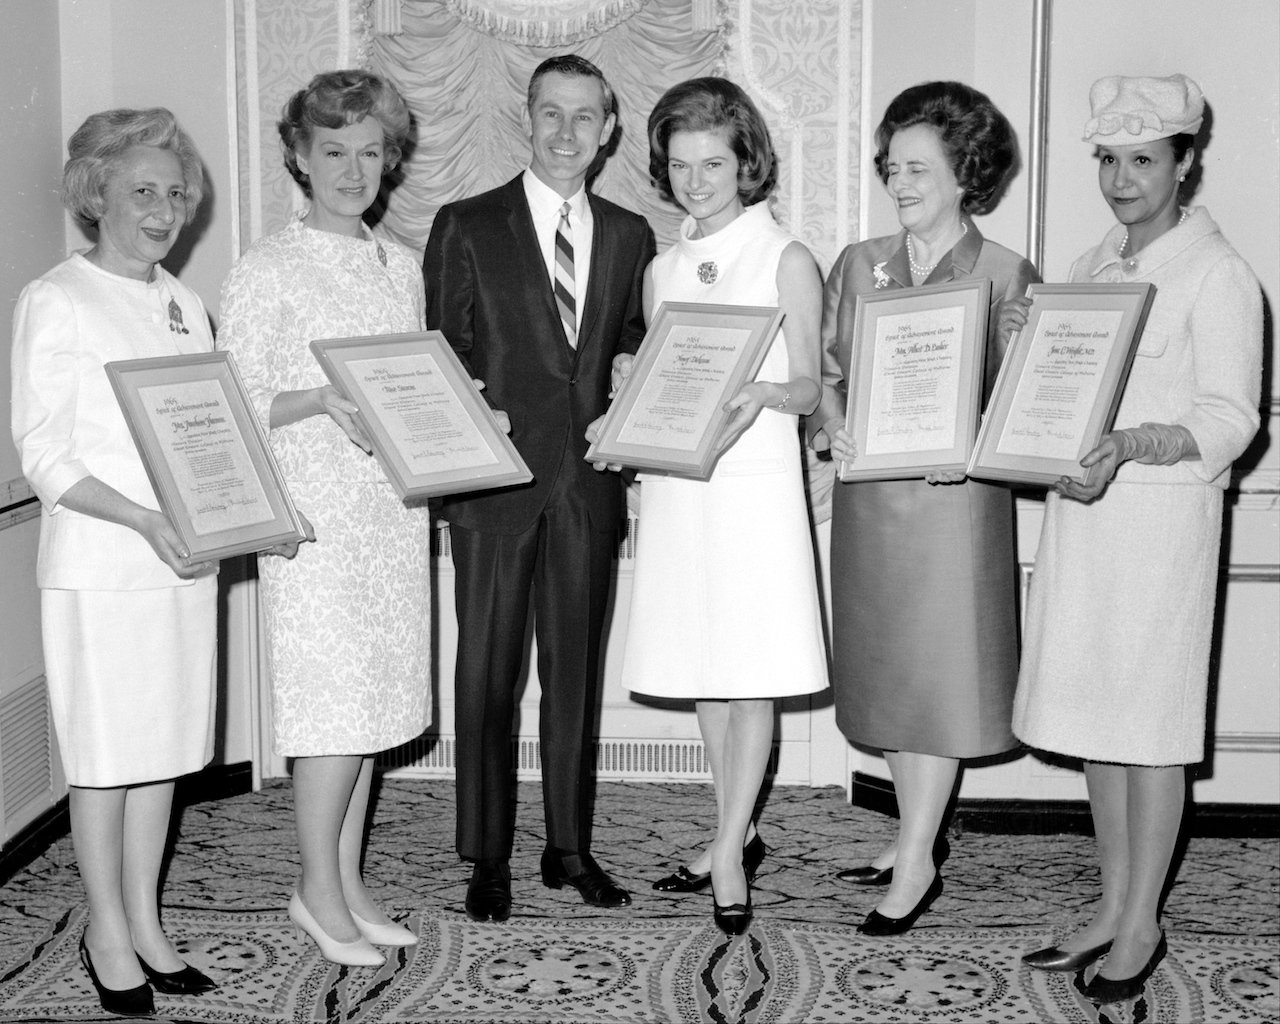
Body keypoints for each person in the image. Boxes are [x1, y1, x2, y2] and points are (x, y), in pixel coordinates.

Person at [1012, 74, 1261, 1004]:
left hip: (1159, 526)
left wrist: (1134, 446)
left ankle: (1143, 918)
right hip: (1088, 522)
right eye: (1108, 160)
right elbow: (1065, 388)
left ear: (1186, 164)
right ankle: (1113, 904)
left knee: (1148, 731)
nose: (1121, 179)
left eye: (1143, 160)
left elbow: (1231, 419)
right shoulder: (1093, 263)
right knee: (1096, 728)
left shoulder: (1220, 273)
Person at [423, 54, 655, 923]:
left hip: (589, 488)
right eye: (550, 114)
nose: (566, 133)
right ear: (528, 118)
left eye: (584, 117)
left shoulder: (632, 234)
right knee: (485, 676)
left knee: (575, 678)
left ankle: (568, 847)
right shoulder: (466, 223)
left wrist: (634, 370)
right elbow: (438, 358)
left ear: (607, 131)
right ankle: (486, 856)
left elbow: (628, 339)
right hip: (493, 491)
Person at [10, 107, 222, 1016]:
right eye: (142, 190)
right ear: (96, 193)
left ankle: (146, 917)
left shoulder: (185, 303)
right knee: (105, 757)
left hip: (182, 562)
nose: (163, 209)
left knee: (164, 750)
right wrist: (141, 517)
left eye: (175, 194)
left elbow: (212, 435)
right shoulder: (56, 297)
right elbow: (45, 454)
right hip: (102, 561)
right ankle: (105, 927)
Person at [812, 81, 1037, 935]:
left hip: (956, 508)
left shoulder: (1007, 272)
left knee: (938, 683)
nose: (899, 183)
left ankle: (914, 860)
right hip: (873, 506)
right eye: (891, 167)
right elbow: (828, 384)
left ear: (964, 172)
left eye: (918, 168)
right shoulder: (856, 263)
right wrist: (834, 433)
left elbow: (1023, 402)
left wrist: (977, 448)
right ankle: (917, 835)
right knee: (893, 681)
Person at [605, 78, 828, 936]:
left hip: (753, 486)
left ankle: (732, 844)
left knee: (750, 668)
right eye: (680, 164)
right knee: (703, 663)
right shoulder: (662, 268)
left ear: (746, 163)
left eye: (713, 163)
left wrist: (764, 391)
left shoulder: (785, 257)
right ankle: (730, 820)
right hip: (679, 487)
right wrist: (633, 390)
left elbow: (809, 383)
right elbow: (664, 376)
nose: (696, 180)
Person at [219, 70, 432, 967]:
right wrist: (315, 399)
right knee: (329, 714)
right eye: (333, 151)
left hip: (388, 516)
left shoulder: (400, 264)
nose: (353, 169)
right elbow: (227, 400)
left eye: (370, 151)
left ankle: (345, 880)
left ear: (390, 160)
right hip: (315, 522)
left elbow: (407, 386)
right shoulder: (266, 268)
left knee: (374, 712)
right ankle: (315, 889)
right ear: (300, 159)